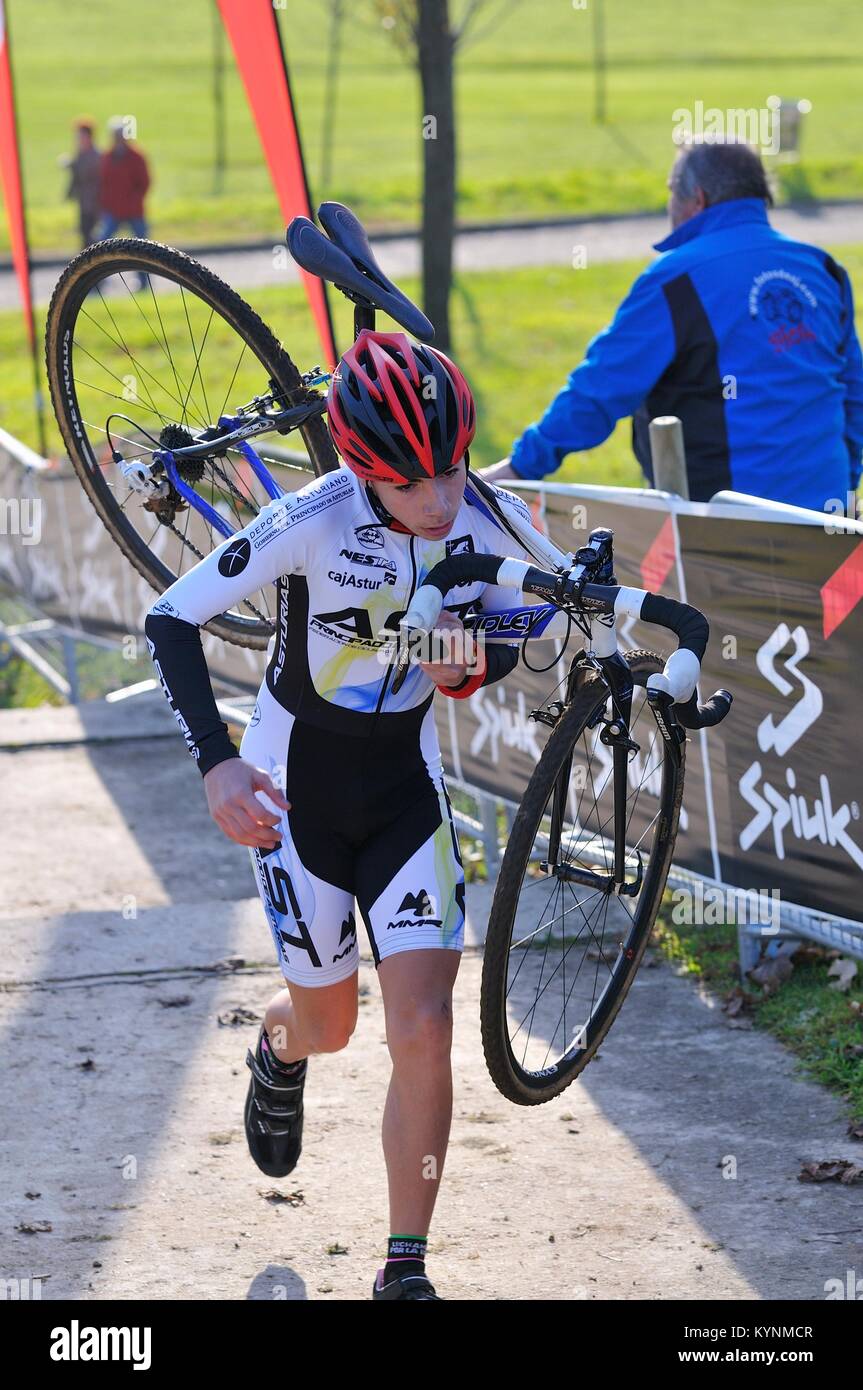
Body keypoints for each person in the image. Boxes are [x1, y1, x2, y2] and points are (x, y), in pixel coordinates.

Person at [143, 329, 535, 1301]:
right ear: (361, 469)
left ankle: (404, 1265)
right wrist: (216, 763)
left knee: (424, 1024)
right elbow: (168, 619)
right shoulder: (310, 517)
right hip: (292, 790)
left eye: (448, 472)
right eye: (409, 485)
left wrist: (474, 658)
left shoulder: (484, 514)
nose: (438, 502)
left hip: (405, 788)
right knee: (332, 1025)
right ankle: (279, 1048)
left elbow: (528, 618)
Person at [484, 139, 863, 515]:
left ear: (696, 198)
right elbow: (854, 395)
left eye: (670, 191)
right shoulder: (822, 268)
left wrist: (520, 467)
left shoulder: (675, 280)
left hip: (728, 526)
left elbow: (599, 388)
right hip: (828, 521)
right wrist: (844, 487)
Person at [97, 117, 152, 242]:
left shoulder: (137, 156)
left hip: (133, 208)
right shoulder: (107, 157)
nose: (119, 138)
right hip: (113, 209)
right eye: (116, 135)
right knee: (101, 242)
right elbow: (103, 182)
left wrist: (134, 199)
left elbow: (144, 182)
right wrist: (105, 203)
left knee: (145, 245)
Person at [62, 118, 101, 248]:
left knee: (93, 240)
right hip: (84, 203)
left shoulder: (95, 155)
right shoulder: (81, 154)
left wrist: (72, 164)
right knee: (85, 237)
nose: (78, 139)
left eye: (81, 136)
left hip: (95, 204)